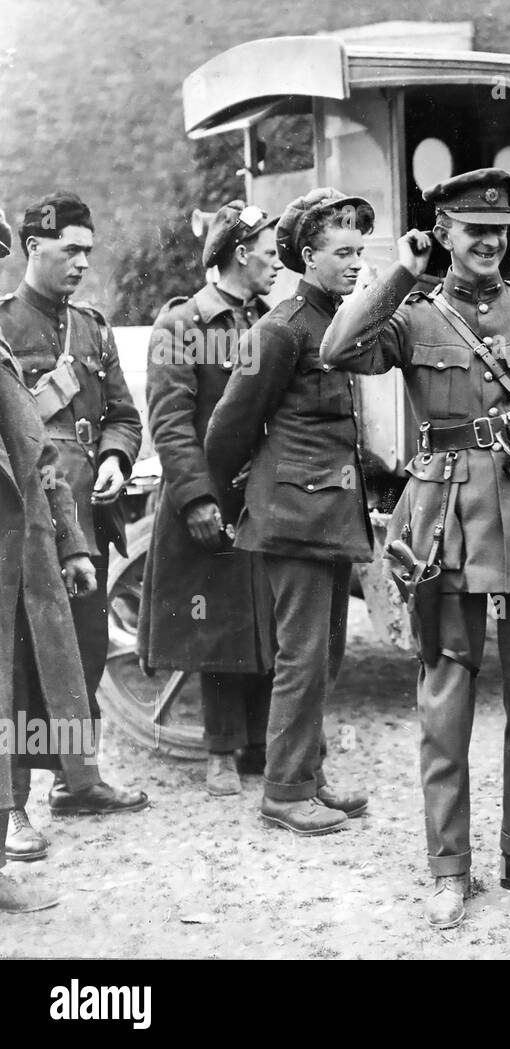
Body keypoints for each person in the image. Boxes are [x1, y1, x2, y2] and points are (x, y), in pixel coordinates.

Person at [319, 168, 510, 931]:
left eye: (501, 231)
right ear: (441, 233)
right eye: (474, 230)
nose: (490, 243)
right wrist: (398, 273)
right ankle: (449, 868)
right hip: (443, 523)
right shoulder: (411, 316)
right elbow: (339, 346)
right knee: (445, 707)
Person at [204, 188, 373, 837]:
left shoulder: (334, 319)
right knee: (302, 654)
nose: (356, 262)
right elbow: (228, 425)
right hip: (292, 517)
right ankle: (282, 790)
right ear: (308, 254)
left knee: (324, 653)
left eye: (361, 250)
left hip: (326, 515)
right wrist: (231, 503)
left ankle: (308, 775)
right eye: (343, 251)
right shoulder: (280, 327)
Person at [0, 191, 147, 861]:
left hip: (85, 512)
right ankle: (16, 806)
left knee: (83, 654)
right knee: (24, 665)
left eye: (89, 251)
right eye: (70, 251)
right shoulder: (6, 325)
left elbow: (123, 412)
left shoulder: (91, 328)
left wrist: (117, 456)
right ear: (34, 248)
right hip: (28, 524)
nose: (83, 263)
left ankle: (76, 779)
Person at [138, 201, 278, 796]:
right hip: (211, 497)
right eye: (270, 254)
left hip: (265, 498)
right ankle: (220, 751)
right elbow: (169, 421)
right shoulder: (181, 325)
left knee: (266, 619)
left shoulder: (270, 321)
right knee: (217, 623)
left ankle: (261, 748)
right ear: (240, 254)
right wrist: (195, 499)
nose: (277, 265)